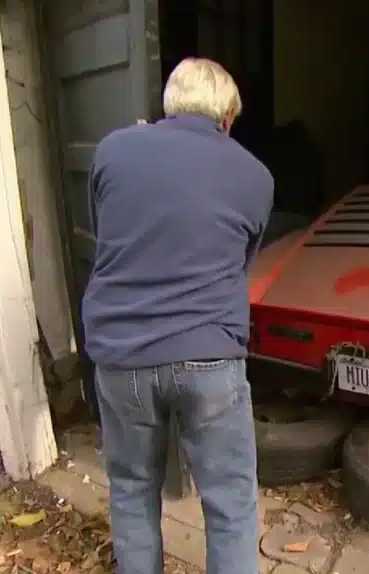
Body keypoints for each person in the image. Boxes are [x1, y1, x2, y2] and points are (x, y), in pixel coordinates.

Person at [82, 58, 274, 574]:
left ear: (168, 105)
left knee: (131, 488)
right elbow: (241, 262)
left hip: (122, 356)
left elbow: (107, 235)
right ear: (227, 117)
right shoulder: (255, 176)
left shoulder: (113, 151)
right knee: (230, 504)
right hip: (209, 357)